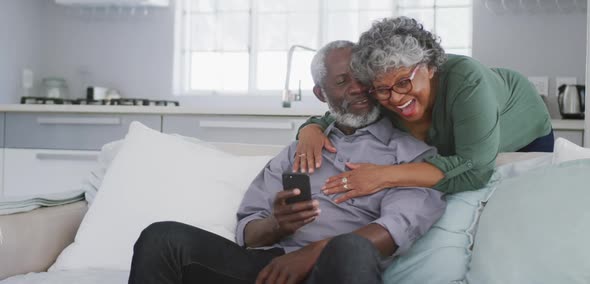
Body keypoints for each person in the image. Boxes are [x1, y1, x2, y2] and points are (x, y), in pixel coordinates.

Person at [128, 40, 446, 284]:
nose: (358, 88)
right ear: (321, 94)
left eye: (363, 77)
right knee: (162, 238)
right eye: (342, 81)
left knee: (352, 249)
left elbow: (396, 230)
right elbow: (249, 232)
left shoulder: (409, 154)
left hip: (334, 269)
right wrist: (277, 225)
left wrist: (312, 253)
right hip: (274, 268)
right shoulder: (298, 150)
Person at [294, 17, 553, 199]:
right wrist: (311, 129)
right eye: (382, 89)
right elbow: (346, 112)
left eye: (404, 82)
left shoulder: (467, 80)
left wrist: (383, 176)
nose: (395, 98)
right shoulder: (382, 90)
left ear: (429, 68)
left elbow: (474, 172)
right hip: (460, 157)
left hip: (523, 136)